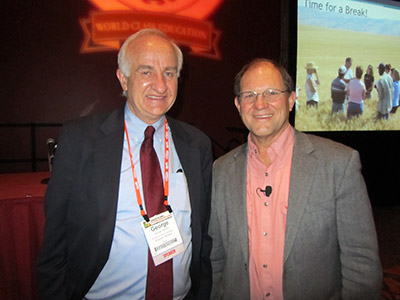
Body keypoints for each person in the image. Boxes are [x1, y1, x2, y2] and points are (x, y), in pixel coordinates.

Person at [36, 29, 213, 300]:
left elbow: (202, 236)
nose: (160, 85)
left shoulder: (197, 145)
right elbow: (55, 241)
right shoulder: (81, 140)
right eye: (146, 72)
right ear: (123, 79)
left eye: (169, 72)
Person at [209, 58, 382, 300]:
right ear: (238, 104)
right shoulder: (221, 170)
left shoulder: (338, 164)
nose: (260, 104)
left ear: (291, 100)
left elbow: (361, 264)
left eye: (271, 92)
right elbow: (217, 258)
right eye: (250, 95)